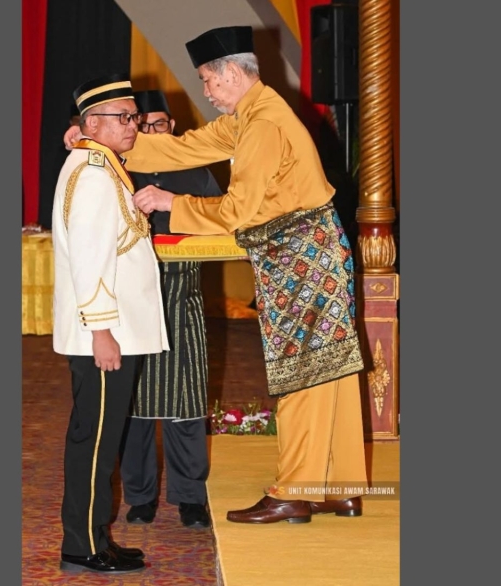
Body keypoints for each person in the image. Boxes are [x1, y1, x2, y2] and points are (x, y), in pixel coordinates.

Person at [65, 26, 368, 524]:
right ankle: (336, 485)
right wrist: (100, 136)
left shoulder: (264, 124)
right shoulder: (254, 113)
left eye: (208, 80)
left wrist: (172, 203)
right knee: (326, 370)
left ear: (231, 73)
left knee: (302, 374)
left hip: (300, 257)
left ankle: (296, 489)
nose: (205, 91)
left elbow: (240, 209)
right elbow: (184, 149)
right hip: (312, 252)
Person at [51, 73, 168, 573]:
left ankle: (96, 533)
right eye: (123, 117)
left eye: (133, 116)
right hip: (105, 330)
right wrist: (101, 331)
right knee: (95, 439)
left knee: (101, 437)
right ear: (91, 123)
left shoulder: (100, 163)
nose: (133, 125)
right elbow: (90, 258)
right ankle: (83, 544)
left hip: (112, 327)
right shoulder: (95, 174)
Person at [117, 90, 221, 530]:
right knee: (133, 403)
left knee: (187, 401)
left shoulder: (195, 170)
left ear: (173, 126)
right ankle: (139, 496)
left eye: (158, 124)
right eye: (142, 125)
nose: (150, 132)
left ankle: (190, 497)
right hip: (133, 300)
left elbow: (223, 217)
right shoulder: (117, 170)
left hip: (183, 300)